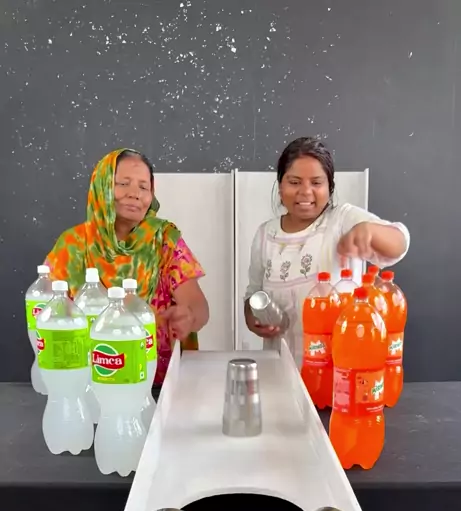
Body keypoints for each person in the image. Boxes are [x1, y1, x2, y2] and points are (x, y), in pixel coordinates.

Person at [46, 148, 209, 384]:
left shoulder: (163, 239)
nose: (134, 194)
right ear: (101, 186)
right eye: (123, 184)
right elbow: (49, 316)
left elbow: (198, 306)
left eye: (144, 187)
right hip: (93, 384)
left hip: (163, 385)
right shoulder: (73, 245)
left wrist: (188, 317)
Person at [244, 136, 410, 365]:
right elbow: (253, 292)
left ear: (329, 188)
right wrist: (251, 315)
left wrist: (369, 231)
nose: (305, 191)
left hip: (338, 372)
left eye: (316, 183)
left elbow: (400, 242)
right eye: (294, 182)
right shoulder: (265, 234)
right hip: (280, 367)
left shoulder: (341, 220)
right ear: (280, 187)